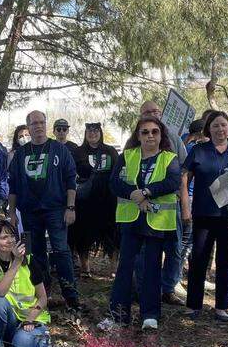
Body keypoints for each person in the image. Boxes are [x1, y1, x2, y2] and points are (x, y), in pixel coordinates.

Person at [99, 117, 181, 331]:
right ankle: (118, 315)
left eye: (154, 131)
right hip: (130, 220)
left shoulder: (169, 158)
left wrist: (146, 192)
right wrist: (133, 194)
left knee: (152, 268)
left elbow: (172, 182)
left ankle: (150, 315)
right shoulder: (127, 156)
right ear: (138, 135)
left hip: (156, 222)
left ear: (161, 135)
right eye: (145, 132)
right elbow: (114, 183)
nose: (150, 136)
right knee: (125, 268)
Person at [7, 111, 81, 309]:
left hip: (56, 210)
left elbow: (70, 180)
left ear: (45, 124)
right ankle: (42, 292)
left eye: (42, 122)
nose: (38, 126)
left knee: (61, 251)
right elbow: (13, 186)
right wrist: (12, 213)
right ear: (28, 127)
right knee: (35, 253)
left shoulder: (59, 149)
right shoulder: (21, 154)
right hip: (29, 212)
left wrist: (70, 207)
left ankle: (71, 296)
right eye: (34, 123)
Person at [182, 111, 228, 322]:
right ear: (208, 130)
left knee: (225, 261)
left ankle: (222, 306)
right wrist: (185, 206)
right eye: (215, 126)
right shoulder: (198, 151)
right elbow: (184, 177)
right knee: (199, 259)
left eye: (223, 125)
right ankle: (194, 305)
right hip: (203, 213)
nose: (220, 130)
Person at [0, 220, 50, 347]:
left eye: (12, 236)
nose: (10, 240)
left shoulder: (28, 259)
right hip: (9, 321)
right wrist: (16, 262)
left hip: (30, 318)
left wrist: (30, 319)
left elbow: (42, 298)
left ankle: (40, 339)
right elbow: (0, 291)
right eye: (4, 237)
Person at [140, 100, 188, 305]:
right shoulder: (134, 141)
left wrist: (185, 206)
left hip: (170, 207)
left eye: (156, 112)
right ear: (141, 116)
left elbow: (184, 174)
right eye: (148, 112)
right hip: (142, 207)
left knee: (174, 249)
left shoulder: (174, 139)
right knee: (144, 251)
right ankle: (144, 289)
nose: (153, 114)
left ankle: (168, 289)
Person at [72, 122, 119, 275]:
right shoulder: (78, 152)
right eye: (89, 131)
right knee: (82, 234)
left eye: (96, 130)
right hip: (85, 201)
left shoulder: (110, 151)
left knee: (111, 235)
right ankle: (85, 267)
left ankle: (114, 268)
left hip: (108, 200)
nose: (93, 133)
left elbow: (117, 172)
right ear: (85, 133)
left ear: (101, 132)